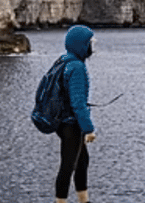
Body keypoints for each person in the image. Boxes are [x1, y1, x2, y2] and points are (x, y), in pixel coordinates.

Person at [55, 25, 97, 203]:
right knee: (68, 165)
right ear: (82, 45)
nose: (92, 47)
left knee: (82, 161)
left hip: (63, 121)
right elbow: (78, 103)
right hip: (71, 123)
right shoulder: (77, 67)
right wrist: (89, 129)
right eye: (90, 43)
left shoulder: (64, 60)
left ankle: (84, 200)